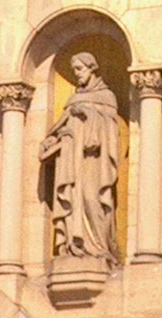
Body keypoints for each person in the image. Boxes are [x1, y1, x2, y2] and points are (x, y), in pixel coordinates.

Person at [39, 52, 121, 266]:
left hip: (94, 161)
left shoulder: (107, 97)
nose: (76, 74)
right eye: (74, 70)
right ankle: (73, 244)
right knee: (75, 198)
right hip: (71, 161)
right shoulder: (73, 99)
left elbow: (111, 129)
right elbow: (59, 128)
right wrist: (52, 140)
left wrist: (88, 114)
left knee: (91, 198)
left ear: (91, 68)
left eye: (80, 69)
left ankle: (99, 247)